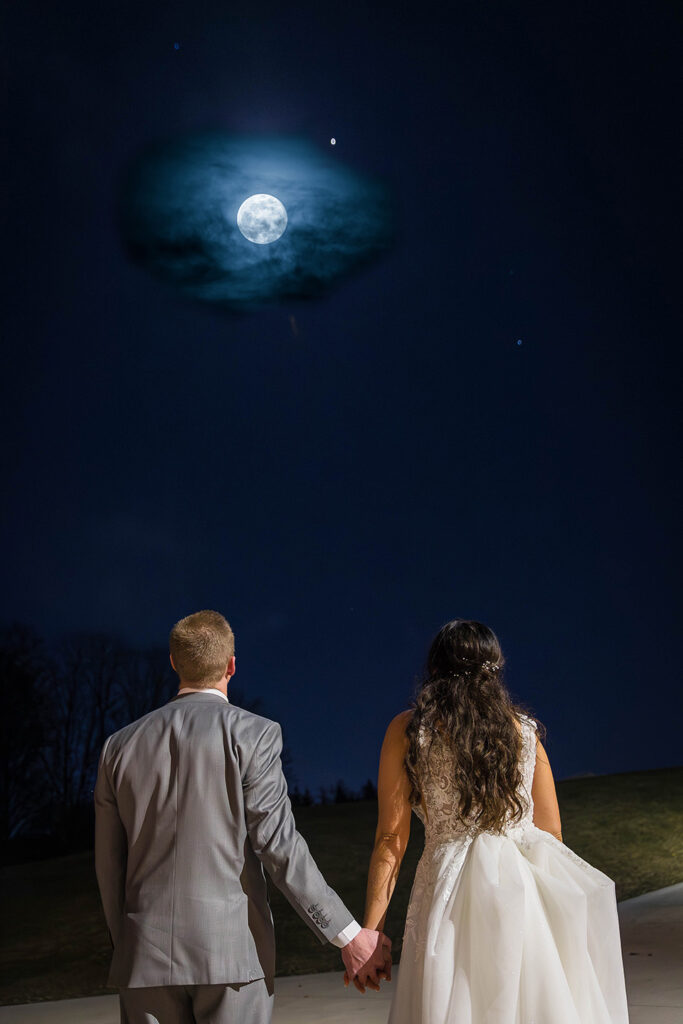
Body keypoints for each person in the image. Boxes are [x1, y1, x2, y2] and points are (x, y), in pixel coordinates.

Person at [94, 609, 391, 1024]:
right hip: (232, 956)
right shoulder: (254, 734)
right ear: (231, 665)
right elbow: (278, 844)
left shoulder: (117, 748)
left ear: (174, 662)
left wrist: (129, 943)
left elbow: (108, 865)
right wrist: (347, 935)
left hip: (144, 958)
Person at [350, 618, 630, 1023]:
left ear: (435, 669)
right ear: (495, 667)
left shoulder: (410, 730)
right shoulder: (525, 731)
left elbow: (391, 836)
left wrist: (371, 933)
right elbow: (551, 831)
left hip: (448, 891)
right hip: (524, 891)